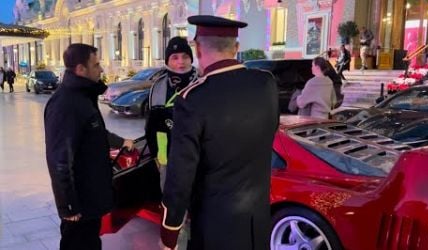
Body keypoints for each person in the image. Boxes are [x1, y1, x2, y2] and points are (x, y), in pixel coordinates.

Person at [160, 15, 279, 250]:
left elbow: (180, 176)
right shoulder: (266, 83)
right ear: (236, 47)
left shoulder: (192, 99)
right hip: (258, 220)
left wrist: (169, 232)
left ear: (198, 48)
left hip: (215, 228)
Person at [44, 43, 134, 250]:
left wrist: (121, 142)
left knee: (91, 242)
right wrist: (67, 206)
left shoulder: (83, 97)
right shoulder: (66, 104)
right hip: (79, 203)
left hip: (90, 198)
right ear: (80, 69)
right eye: (96, 65)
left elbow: (93, 132)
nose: (101, 69)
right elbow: (59, 161)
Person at [145, 36, 198, 183]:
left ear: (191, 59)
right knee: (170, 200)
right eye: (175, 57)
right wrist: (156, 155)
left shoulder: (202, 82)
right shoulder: (158, 86)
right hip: (166, 160)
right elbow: (152, 126)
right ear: (167, 61)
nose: (181, 61)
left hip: (197, 160)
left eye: (185, 56)